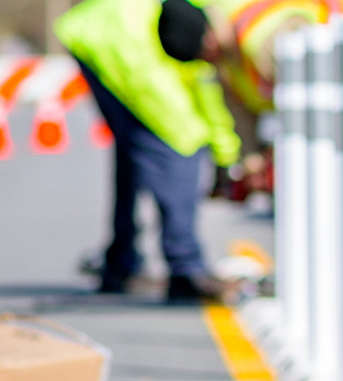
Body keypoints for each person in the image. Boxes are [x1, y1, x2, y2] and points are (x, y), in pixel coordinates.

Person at [55, 0, 243, 301]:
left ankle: (121, 262)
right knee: (176, 145)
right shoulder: (221, 25)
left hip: (109, 30)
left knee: (138, 147)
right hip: (117, 40)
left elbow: (206, 88)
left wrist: (226, 156)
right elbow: (201, 99)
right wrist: (225, 157)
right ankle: (185, 268)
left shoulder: (209, 28)